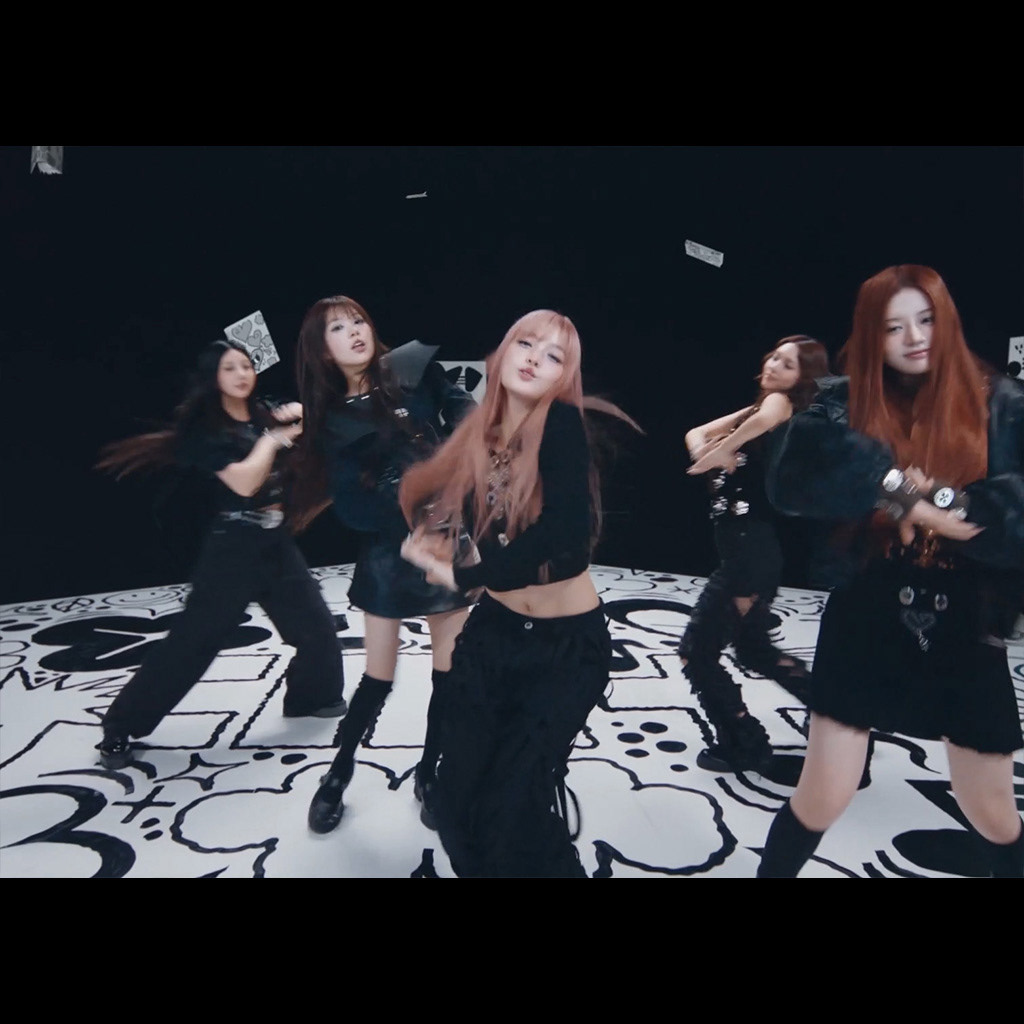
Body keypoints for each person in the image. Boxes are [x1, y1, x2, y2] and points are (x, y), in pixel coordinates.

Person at [757, 264, 1024, 878]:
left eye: (926, 320)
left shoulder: (1002, 402)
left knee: (991, 811)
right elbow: (793, 475)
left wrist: (949, 503)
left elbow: (1011, 508)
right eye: (893, 326)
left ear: (946, 319)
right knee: (822, 795)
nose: (915, 338)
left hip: (965, 619)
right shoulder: (845, 398)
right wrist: (898, 490)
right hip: (869, 606)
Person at [398, 308, 642, 877]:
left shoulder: (561, 423)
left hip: (563, 653)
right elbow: (454, 512)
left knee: (514, 812)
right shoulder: (479, 434)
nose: (534, 358)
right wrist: (435, 541)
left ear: (564, 376)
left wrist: (468, 577)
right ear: (502, 352)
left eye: (554, 355)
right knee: (454, 803)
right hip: (494, 636)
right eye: (525, 343)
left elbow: (566, 539)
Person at [95, 340, 347, 769]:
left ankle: (311, 697)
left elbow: (312, 420)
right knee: (192, 644)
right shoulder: (205, 432)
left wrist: (299, 413)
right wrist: (273, 439)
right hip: (232, 549)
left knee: (317, 627)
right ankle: (121, 727)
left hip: (276, 542)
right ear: (214, 376)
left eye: (246, 365)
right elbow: (246, 483)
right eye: (230, 368)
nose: (241, 374)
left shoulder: (264, 412)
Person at [290, 296, 477, 834]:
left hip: (445, 541)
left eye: (358, 321)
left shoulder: (412, 370)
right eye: (337, 328)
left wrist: (459, 451)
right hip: (387, 554)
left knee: (449, 675)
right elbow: (350, 506)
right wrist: (405, 512)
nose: (354, 332)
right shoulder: (330, 419)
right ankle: (337, 774)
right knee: (377, 676)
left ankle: (430, 773)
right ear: (321, 350)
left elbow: (465, 411)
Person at [679, 336, 831, 774]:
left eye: (788, 364)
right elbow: (695, 432)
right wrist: (710, 451)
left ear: (802, 378)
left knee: (696, 652)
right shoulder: (757, 409)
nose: (775, 365)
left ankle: (744, 741)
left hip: (748, 560)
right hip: (750, 555)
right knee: (756, 652)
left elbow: (765, 417)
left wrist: (724, 448)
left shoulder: (781, 405)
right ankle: (837, 720)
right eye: (775, 356)